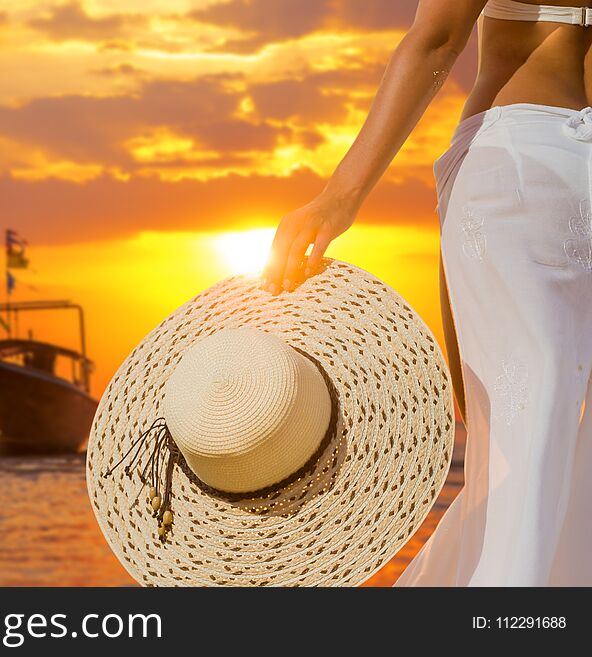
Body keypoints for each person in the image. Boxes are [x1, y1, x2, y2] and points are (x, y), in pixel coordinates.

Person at [263, 0, 592, 586]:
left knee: (518, 455)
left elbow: (437, 38)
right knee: (572, 466)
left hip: (521, 167)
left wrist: (341, 195)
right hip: (541, 173)